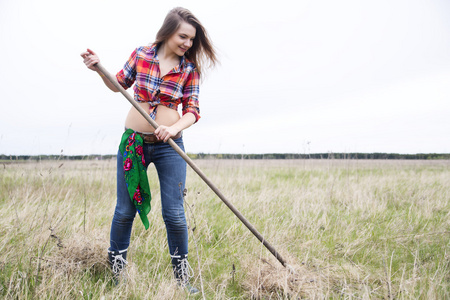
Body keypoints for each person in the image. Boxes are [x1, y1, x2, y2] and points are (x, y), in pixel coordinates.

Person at [81, 7, 217, 294]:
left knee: (174, 214)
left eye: (191, 40)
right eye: (183, 36)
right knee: (124, 210)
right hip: (134, 144)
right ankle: (116, 273)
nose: (187, 44)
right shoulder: (142, 54)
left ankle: (182, 279)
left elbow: (193, 110)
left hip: (170, 146)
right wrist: (98, 69)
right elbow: (117, 84)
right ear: (168, 31)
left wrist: (175, 127)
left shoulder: (189, 69)